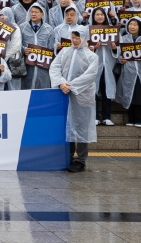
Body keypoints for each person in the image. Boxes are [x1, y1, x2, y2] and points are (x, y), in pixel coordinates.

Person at [50, 26, 99, 173]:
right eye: (73, 37)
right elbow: (54, 67)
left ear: (84, 38)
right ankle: (68, 157)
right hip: (65, 94)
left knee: (82, 127)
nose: (74, 40)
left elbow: (90, 76)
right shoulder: (65, 51)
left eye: (77, 37)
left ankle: (81, 160)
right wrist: (61, 82)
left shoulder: (92, 56)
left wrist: (71, 85)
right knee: (67, 125)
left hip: (82, 95)